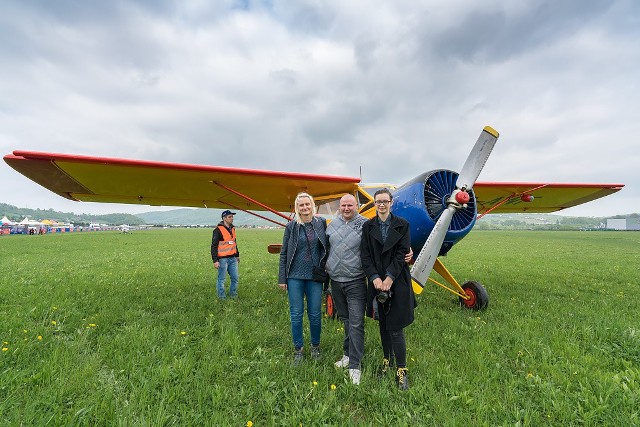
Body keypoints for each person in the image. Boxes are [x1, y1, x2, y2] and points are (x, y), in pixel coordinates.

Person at [360, 188, 416, 391]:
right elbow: (365, 256)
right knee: (383, 325)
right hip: (377, 284)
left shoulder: (403, 225)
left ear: (392, 203)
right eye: (378, 202)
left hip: (397, 282)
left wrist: (390, 278)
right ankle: (387, 360)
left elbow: (402, 252)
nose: (381, 204)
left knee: (396, 328)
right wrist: (374, 278)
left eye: (385, 201)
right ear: (375, 204)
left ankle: (402, 370)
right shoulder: (368, 227)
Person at [278, 192, 329, 366]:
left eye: (307, 204)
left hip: (314, 276)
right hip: (294, 277)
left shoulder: (321, 223)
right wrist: (282, 278)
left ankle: (315, 347)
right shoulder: (291, 227)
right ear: (297, 207)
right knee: (296, 315)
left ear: (312, 205)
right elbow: (284, 253)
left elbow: (328, 246)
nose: (305, 208)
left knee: (315, 314)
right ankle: (298, 350)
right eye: (301, 205)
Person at [211, 210, 240, 300]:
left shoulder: (233, 229)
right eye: (229, 217)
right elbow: (214, 246)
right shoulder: (217, 230)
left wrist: (237, 255)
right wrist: (215, 260)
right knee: (221, 279)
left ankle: (233, 295)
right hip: (223, 259)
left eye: (232, 217)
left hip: (233, 258)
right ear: (224, 218)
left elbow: (234, 243)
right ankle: (222, 298)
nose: (232, 218)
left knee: (235, 278)